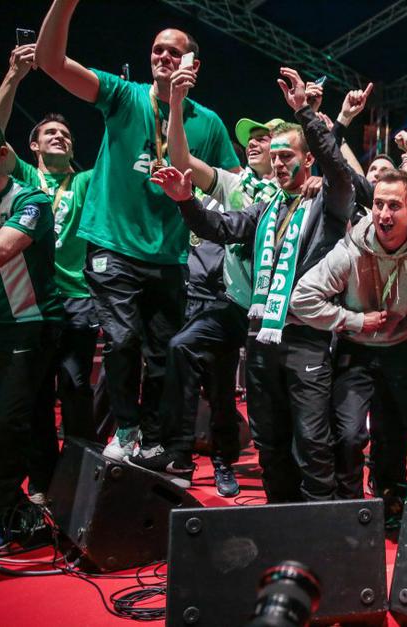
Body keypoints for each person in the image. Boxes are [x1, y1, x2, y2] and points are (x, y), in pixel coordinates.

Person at [36, 0, 240, 460]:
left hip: (169, 254)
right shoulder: (123, 95)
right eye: (157, 50)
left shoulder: (208, 122)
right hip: (113, 244)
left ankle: (151, 439)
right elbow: (50, 62)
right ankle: (126, 429)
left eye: (174, 52)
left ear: (193, 65)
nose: (163, 57)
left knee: (164, 355)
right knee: (123, 338)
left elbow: (233, 186)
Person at [150, 67, 354, 502]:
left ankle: (320, 525)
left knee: (312, 441)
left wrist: (305, 113)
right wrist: (186, 202)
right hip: (261, 337)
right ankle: (278, 517)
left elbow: (338, 171)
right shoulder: (265, 209)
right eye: (273, 157)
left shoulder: (328, 203)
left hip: (307, 338)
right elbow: (220, 227)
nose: (278, 164)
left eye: (287, 156)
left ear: (308, 160)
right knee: (268, 439)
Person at [128, 60, 284, 496]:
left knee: (235, 393)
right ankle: (181, 454)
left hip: (267, 310)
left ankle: (231, 462)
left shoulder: (294, 192)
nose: (254, 143)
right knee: (185, 356)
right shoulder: (233, 185)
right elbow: (180, 159)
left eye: (264, 138)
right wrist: (176, 103)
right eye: (250, 139)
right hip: (222, 300)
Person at [289, 168, 407, 510]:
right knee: (350, 435)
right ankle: (349, 511)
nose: (383, 214)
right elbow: (302, 298)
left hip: (403, 349)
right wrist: (353, 321)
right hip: (356, 350)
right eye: (378, 204)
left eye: (394, 206)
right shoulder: (350, 249)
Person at [0, 45, 99, 458]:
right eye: (50, 133)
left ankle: (82, 476)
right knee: (35, 393)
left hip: (77, 298)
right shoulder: (22, 176)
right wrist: (13, 76)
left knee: (76, 386)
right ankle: (44, 476)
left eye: (66, 135)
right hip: (28, 299)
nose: (59, 136)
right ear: (33, 146)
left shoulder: (85, 182)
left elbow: (120, 158)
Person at [0, 113, 63, 551]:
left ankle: (8, 508)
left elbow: (1, 252)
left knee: (7, 425)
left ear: (2, 154)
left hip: (27, 327)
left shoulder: (31, 200)